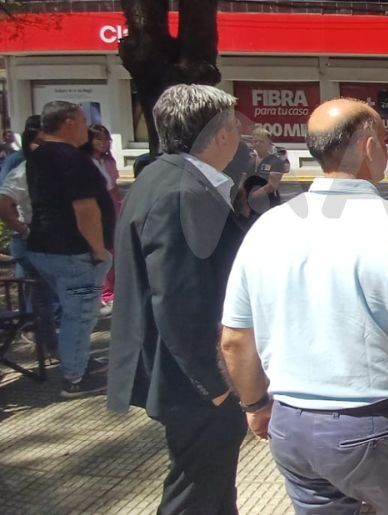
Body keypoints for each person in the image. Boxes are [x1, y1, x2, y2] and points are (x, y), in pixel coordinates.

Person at [220, 99, 388, 515]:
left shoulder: (269, 226)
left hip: (293, 425)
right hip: (378, 422)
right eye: (385, 141)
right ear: (369, 145)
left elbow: (234, 340)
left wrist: (255, 405)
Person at [106, 85, 248, 514]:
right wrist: (216, 384)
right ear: (220, 134)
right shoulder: (183, 192)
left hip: (183, 374)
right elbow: (179, 300)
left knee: (210, 482)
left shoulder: (161, 174)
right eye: (235, 126)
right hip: (193, 380)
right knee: (196, 489)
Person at [25, 101, 114, 397]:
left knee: (73, 309)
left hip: (47, 250)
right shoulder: (70, 158)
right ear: (68, 123)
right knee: (81, 312)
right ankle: (74, 377)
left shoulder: (39, 155)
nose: (87, 128)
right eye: (81, 121)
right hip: (74, 255)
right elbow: (85, 209)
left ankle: (78, 360)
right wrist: (99, 249)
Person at [0, 117, 60, 355]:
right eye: (38, 142)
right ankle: (47, 344)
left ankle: (50, 342)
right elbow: (4, 203)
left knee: (51, 298)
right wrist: (23, 229)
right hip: (30, 243)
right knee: (42, 299)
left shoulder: (55, 168)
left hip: (52, 243)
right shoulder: (23, 169)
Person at [88, 125, 121, 313]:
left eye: (106, 139)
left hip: (111, 208)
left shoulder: (109, 161)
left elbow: (114, 187)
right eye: (98, 139)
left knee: (112, 251)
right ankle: (100, 292)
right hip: (94, 208)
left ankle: (110, 291)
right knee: (99, 250)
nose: (103, 143)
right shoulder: (85, 161)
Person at [247, 127, 289, 213]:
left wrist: (251, 196)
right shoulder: (249, 160)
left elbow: (272, 186)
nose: (258, 144)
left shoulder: (275, 161)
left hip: (269, 204)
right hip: (249, 205)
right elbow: (243, 179)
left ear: (269, 143)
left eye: (261, 142)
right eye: (255, 141)